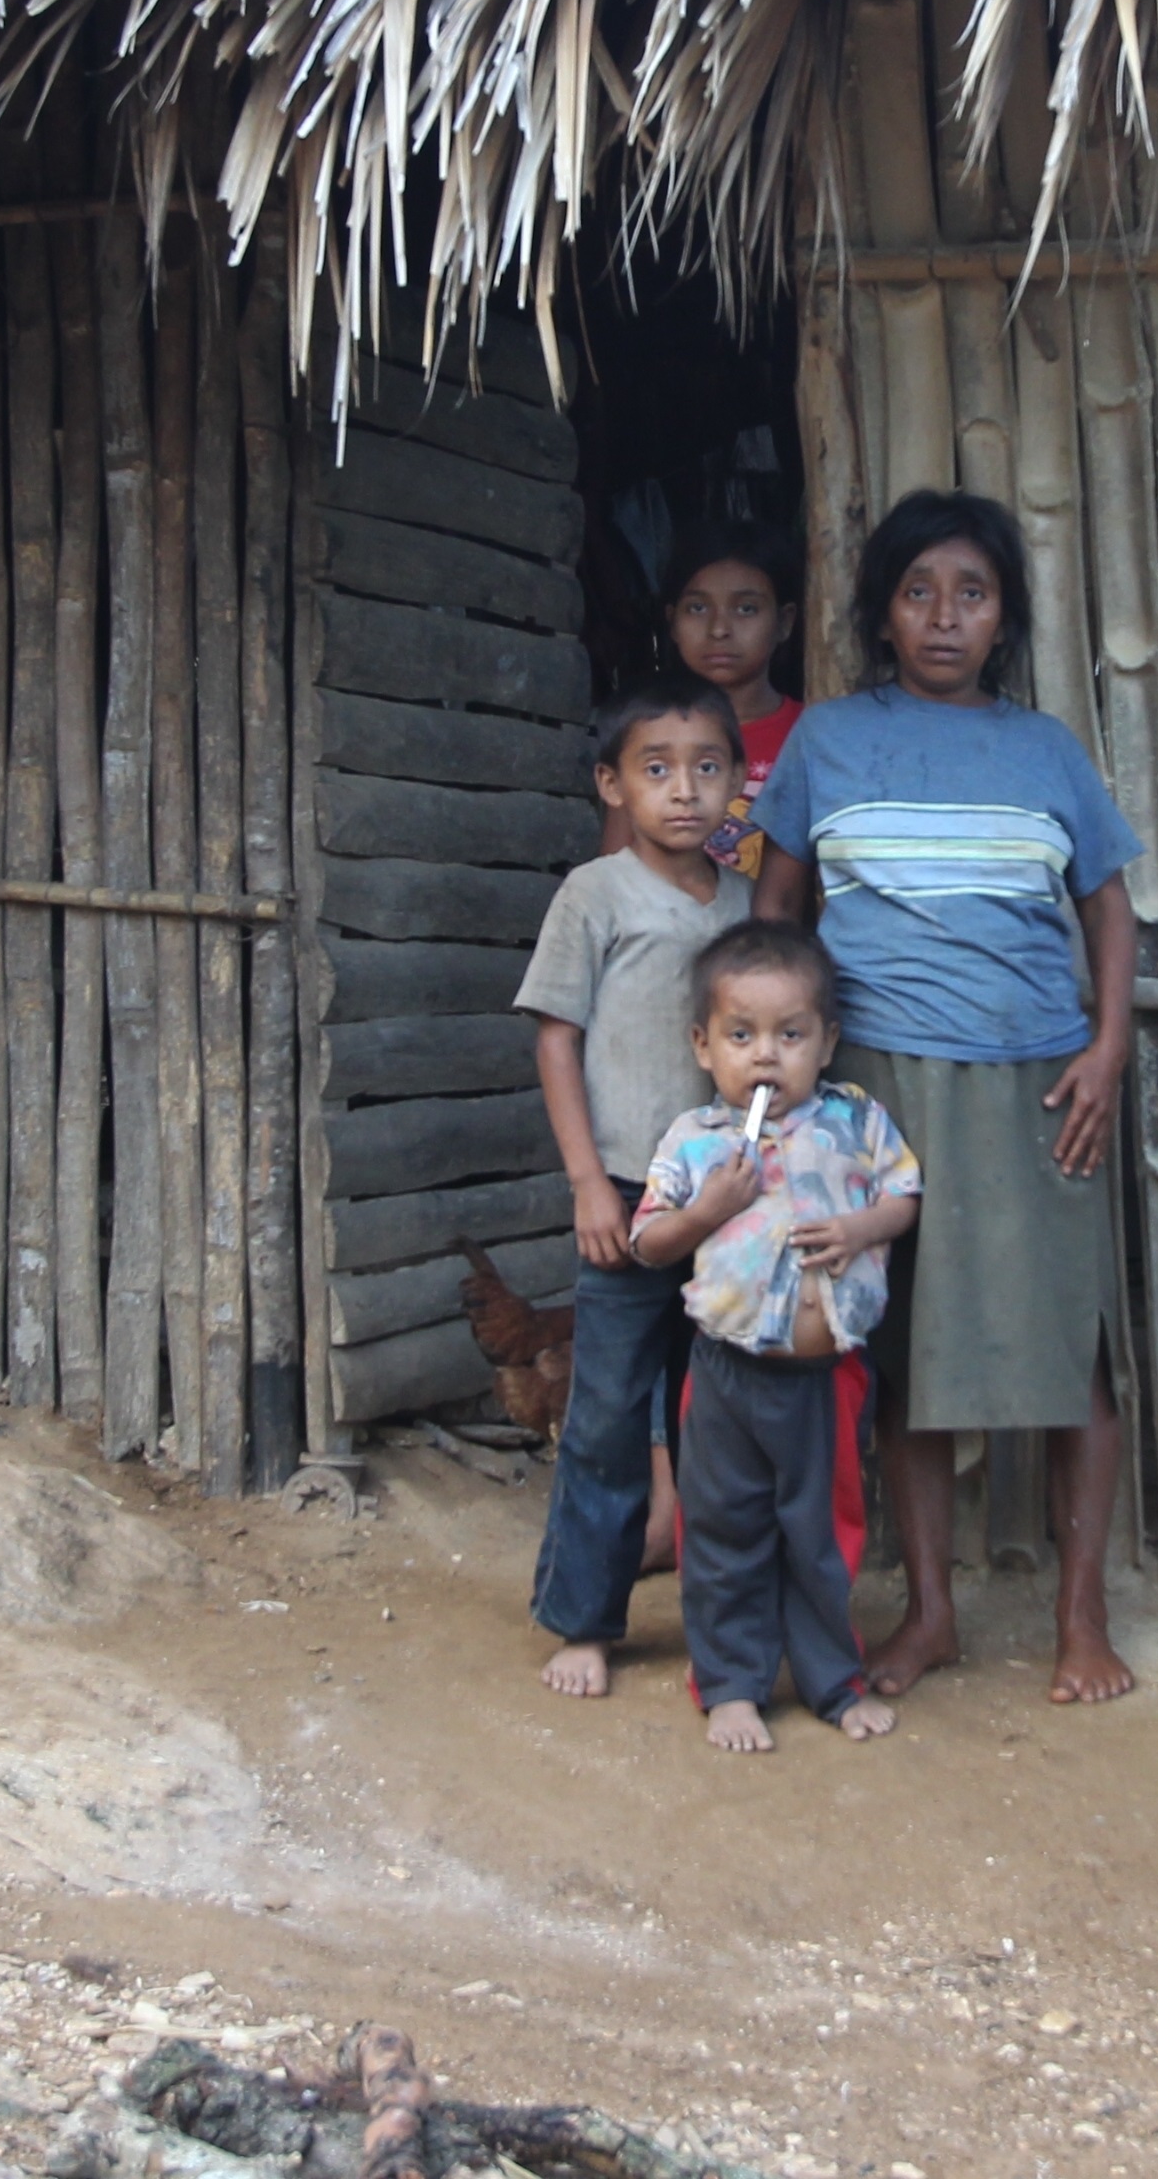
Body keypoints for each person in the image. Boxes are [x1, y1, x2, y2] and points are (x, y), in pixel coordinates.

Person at [749, 487, 1144, 1706]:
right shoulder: (826, 742)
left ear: (1004, 617)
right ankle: (932, 1615)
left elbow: (1108, 905)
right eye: (919, 591)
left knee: (1067, 1346)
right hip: (875, 1080)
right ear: (880, 612)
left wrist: (1109, 1044)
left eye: (972, 594)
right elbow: (775, 912)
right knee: (908, 1351)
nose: (943, 616)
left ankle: (1082, 1621)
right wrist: (789, 1074)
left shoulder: (1045, 750)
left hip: (1036, 1078)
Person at [626, 919, 921, 1751]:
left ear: (826, 1043)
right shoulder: (694, 1142)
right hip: (724, 1375)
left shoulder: (858, 1120)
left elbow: (906, 1196)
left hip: (826, 1376)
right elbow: (648, 1243)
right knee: (721, 1533)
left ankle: (834, 1682)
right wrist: (708, 1210)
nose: (766, 1057)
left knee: (824, 1534)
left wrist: (864, 1228)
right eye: (741, 1036)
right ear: (703, 1045)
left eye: (790, 1036)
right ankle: (730, 1684)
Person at [516, 673, 751, 1697]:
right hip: (624, 1186)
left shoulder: (747, 903)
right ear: (613, 785)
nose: (685, 792)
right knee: (608, 1413)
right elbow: (556, 1040)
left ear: (740, 783)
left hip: (732, 1199)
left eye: (708, 769)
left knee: (726, 1417)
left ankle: (733, 1624)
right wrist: (586, 1184)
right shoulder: (594, 893)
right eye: (657, 771)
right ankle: (584, 1619)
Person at [598, 528, 802, 878]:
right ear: (672, 622)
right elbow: (614, 875)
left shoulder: (809, 734)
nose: (719, 629)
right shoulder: (644, 734)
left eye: (746, 609)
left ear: (784, 622)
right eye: (697, 608)